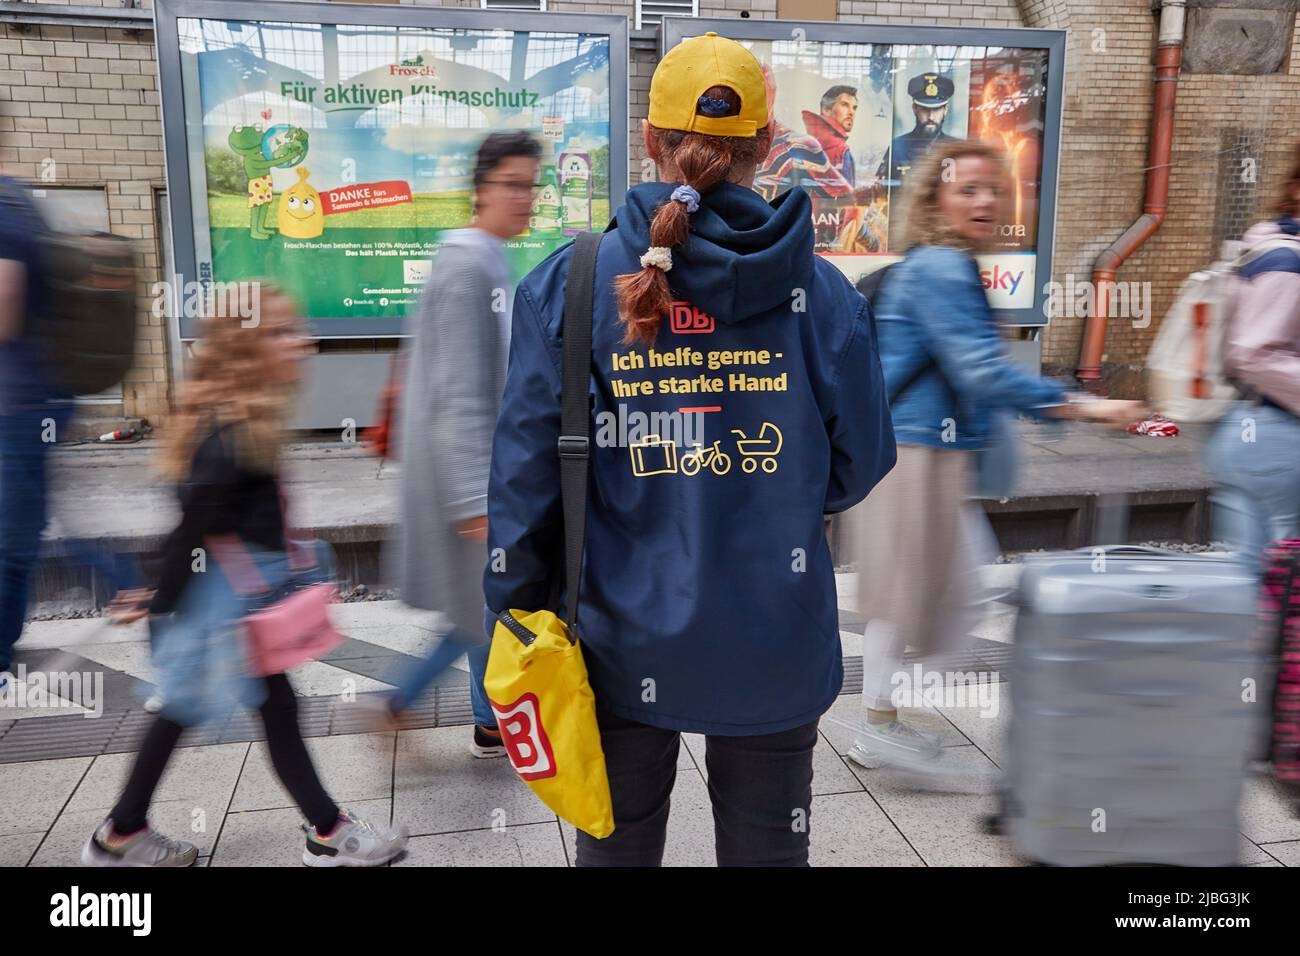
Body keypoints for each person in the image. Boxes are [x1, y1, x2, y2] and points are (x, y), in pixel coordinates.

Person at [484, 32, 895, 867]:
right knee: (768, 851)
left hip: (617, 635)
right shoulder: (822, 294)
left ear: (650, 141)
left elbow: (525, 481)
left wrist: (513, 611)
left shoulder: (571, 283)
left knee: (618, 848)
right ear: (768, 147)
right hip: (774, 637)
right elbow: (858, 466)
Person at [83, 288, 408, 866]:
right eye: (282, 333)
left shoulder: (242, 419)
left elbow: (200, 521)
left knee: (264, 708)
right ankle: (125, 833)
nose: (300, 342)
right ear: (246, 346)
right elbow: (193, 527)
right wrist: (162, 600)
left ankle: (130, 831)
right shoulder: (228, 436)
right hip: (220, 608)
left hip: (236, 603)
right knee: (201, 706)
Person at [845, 139, 1141, 771]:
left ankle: (883, 718)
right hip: (912, 454)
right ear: (935, 200)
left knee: (929, 590)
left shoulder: (942, 264)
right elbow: (981, 372)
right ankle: (882, 722)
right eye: (966, 189)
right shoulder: (941, 269)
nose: (985, 200)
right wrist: (1085, 405)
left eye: (994, 189)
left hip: (914, 449)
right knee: (930, 593)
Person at [379, 132, 542, 757]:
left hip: (478, 472)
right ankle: (395, 702)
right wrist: (474, 494)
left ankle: (486, 721)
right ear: (481, 190)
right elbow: (459, 392)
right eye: (514, 185)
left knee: (482, 602)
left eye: (532, 185)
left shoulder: (489, 257)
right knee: (482, 602)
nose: (526, 198)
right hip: (466, 476)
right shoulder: (467, 263)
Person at [1203, 141, 1300, 574]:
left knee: (1255, 579)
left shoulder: (1266, 246)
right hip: (1277, 436)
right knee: (1278, 579)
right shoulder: (1286, 259)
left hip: (1247, 432)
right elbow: (1255, 352)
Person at [0, 177, 73, 694]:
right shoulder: (20, 201)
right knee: (18, 537)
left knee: (11, 542)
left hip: (17, 405)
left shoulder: (4, 209)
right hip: (36, 399)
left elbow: (4, 311)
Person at [876, 72, 960, 187]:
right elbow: (884, 190)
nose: (931, 117)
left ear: (945, 109)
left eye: (936, 110)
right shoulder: (897, 147)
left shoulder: (957, 149)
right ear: (915, 109)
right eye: (925, 109)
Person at [801, 85, 858, 187]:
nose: (851, 112)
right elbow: (848, 199)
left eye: (854, 108)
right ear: (826, 109)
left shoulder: (804, 144)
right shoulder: (841, 150)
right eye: (845, 105)